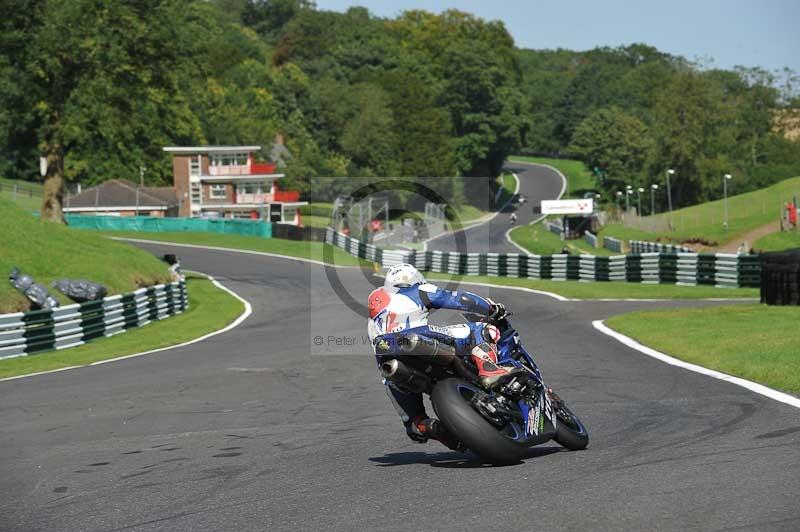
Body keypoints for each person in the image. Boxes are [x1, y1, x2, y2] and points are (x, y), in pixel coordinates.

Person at [367, 263, 522, 448]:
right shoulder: (418, 289)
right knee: (481, 329)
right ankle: (488, 369)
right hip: (418, 338)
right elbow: (460, 299)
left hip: (390, 363)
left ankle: (432, 428)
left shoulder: (373, 318)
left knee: (414, 424)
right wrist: (490, 308)